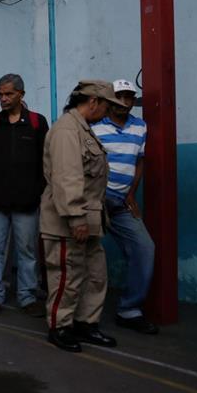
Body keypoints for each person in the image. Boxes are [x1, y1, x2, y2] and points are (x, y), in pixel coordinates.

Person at [40, 80, 123, 353]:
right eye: (108, 105)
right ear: (93, 101)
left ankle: (85, 324)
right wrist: (76, 218)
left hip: (89, 220)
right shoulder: (67, 130)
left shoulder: (83, 129)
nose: (109, 111)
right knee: (68, 276)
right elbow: (67, 178)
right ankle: (60, 327)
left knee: (95, 275)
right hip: (69, 221)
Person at [0, 74, 49, 318]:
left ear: (21, 94)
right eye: (0, 94)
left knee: (28, 252)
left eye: (8, 94)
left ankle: (27, 297)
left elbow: (45, 162)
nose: (3, 98)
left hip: (27, 203)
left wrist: (36, 191)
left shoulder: (38, 123)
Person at [92, 79, 159, 335]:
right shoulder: (95, 128)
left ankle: (129, 309)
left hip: (121, 204)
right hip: (97, 202)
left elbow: (139, 162)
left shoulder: (140, 127)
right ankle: (83, 315)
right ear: (109, 100)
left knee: (145, 248)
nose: (124, 101)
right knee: (87, 255)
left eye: (129, 97)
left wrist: (132, 193)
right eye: (119, 96)